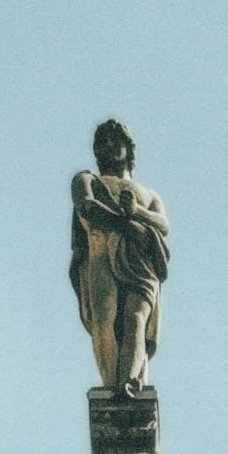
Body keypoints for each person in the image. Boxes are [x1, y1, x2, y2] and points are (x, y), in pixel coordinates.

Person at [70, 119, 169, 396]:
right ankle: (110, 385)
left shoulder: (149, 195)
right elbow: (87, 206)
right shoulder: (87, 179)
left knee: (135, 317)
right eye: (103, 142)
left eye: (117, 140)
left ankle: (130, 381)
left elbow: (163, 224)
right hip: (100, 251)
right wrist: (128, 224)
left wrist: (136, 211)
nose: (110, 146)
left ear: (129, 148)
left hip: (141, 262)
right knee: (105, 317)